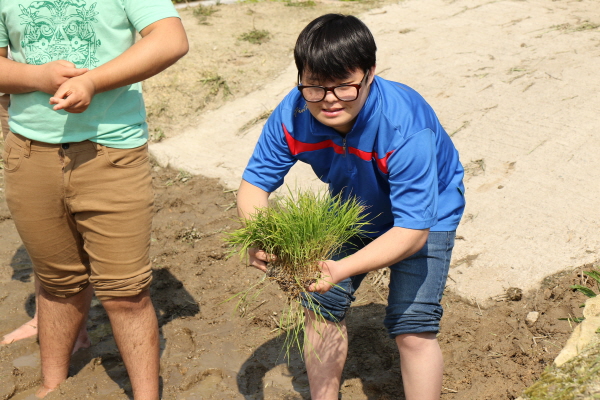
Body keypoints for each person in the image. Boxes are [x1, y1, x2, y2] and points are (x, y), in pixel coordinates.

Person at [237, 14, 465, 400]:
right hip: (353, 206)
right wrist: (260, 236)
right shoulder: (293, 114)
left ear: (370, 73)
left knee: (413, 327)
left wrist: (339, 268)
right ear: (301, 79)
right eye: (314, 87)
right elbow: (254, 185)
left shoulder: (403, 126)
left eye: (344, 86)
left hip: (427, 215)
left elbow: (412, 231)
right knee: (319, 306)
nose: (328, 100)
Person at [0, 1, 188, 398]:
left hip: (111, 154)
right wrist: (36, 76)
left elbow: (171, 38)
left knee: (126, 294)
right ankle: (53, 386)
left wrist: (93, 81)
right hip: (29, 154)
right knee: (56, 284)